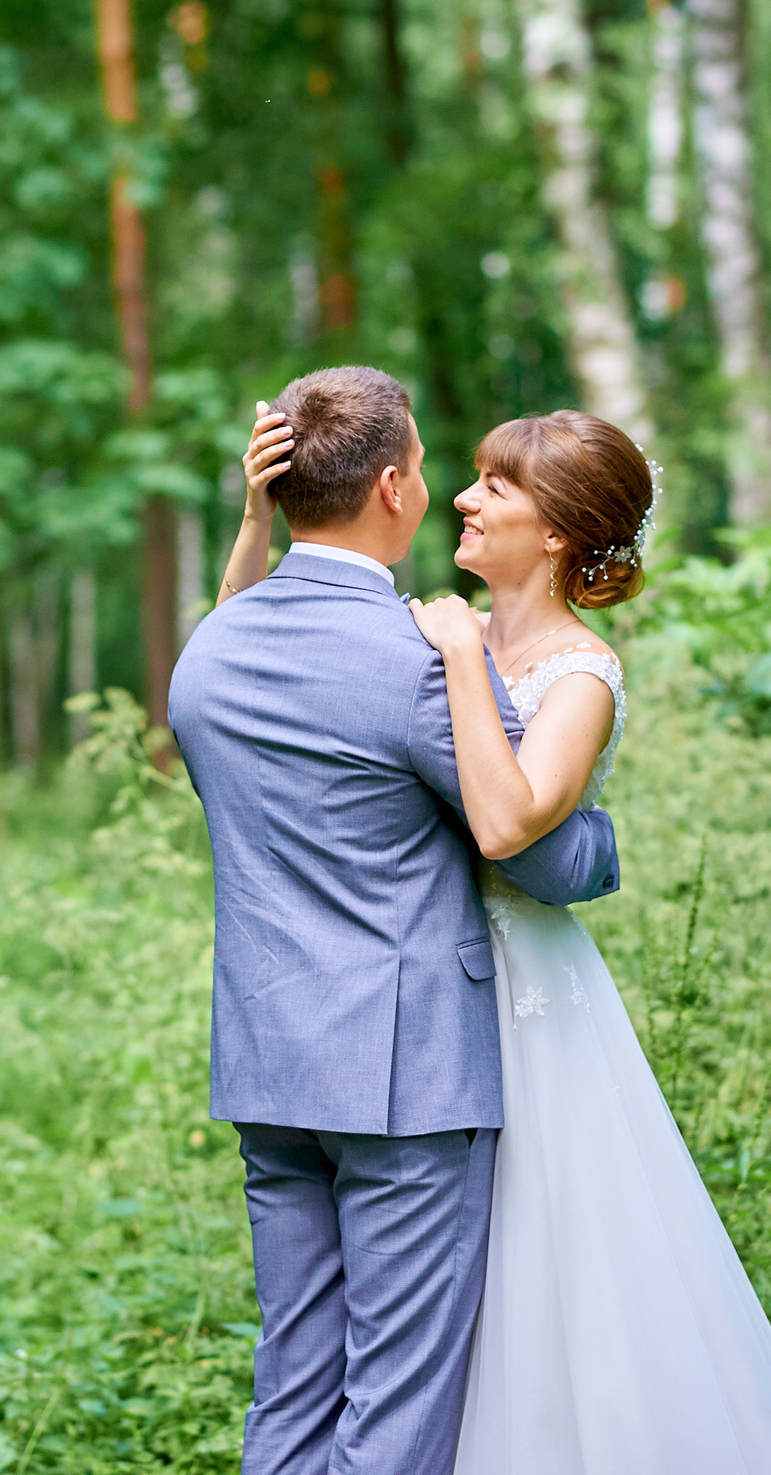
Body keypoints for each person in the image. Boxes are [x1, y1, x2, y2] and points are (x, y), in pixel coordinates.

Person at [168, 367, 621, 1475]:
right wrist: (601, 844)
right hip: (404, 1081)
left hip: (269, 1065)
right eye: (428, 465)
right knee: (394, 1411)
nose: (441, 487)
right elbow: (535, 848)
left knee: (292, 1386)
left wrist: (249, 520)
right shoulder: (418, 662)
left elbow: (246, 629)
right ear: (392, 489)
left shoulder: (208, 656)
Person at [404, 409, 771, 1475]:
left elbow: (511, 823)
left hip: (526, 991)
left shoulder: (579, 674)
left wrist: (460, 654)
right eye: (470, 479)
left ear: (554, 532)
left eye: (495, 489)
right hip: (424, 978)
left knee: (558, 1261)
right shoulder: (442, 626)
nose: (465, 499)